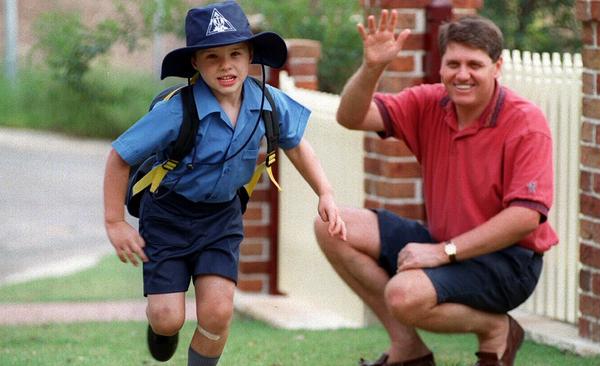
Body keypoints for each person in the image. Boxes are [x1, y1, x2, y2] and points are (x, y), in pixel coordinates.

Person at [103, 1, 346, 365]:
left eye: (235, 53)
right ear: (195, 64)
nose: (226, 65)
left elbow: (296, 144)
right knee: (168, 318)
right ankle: (161, 329)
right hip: (168, 215)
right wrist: (115, 222)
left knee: (217, 313)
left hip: (221, 218)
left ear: (250, 56)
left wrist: (325, 192)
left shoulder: (267, 102)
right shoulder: (176, 110)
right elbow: (120, 156)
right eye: (212, 57)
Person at [314, 10, 558, 366]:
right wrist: (372, 67)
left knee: (403, 295)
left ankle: (495, 328)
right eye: (453, 63)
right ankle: (408, 351)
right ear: (441, 66)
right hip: (446, 241)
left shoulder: (525, 122)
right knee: (332, 227)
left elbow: (525, 218)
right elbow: (351, 117)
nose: (462, 75)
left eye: (474, 64)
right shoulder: (430, 102)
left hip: (509, 261)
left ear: (497, 66)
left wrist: (443, 252)